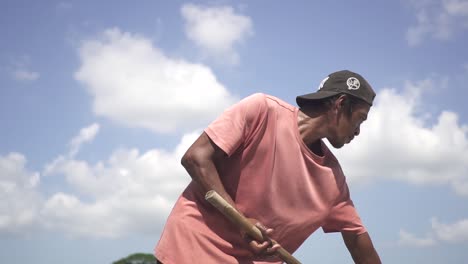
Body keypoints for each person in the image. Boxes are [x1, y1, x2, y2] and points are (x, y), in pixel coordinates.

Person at [154, 70, 382, 264]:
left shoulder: (333, 181)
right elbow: (196, 158)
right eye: (359, 119)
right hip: (190, 252)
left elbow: (356, 240)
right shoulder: (261, 111)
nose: (358, 131)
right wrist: (241, 222)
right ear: (340, 105)